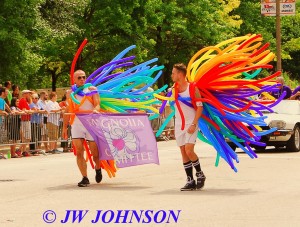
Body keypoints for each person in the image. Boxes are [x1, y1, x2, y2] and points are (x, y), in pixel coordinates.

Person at [62, 70, 102, 187]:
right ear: (74, 79)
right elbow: (68, 109)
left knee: (95, 153)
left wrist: (96, 110)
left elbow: (97, 104)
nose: (82, 79)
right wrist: (65, 127)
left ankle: (98, 168)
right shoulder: (70, 93)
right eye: (79, 77)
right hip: (77, 124)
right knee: (79, 152)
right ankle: (85, 177)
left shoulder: (92, 90)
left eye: (84, 77)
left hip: (90, 124)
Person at [171, 63, 206, 191]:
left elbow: (200, 107)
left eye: (173, 73)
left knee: (189, 150)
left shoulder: (192, 88)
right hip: (179, 124)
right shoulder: (173, 89)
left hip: (191, 123)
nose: (172, 75)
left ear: (180, 74)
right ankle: (190, 180)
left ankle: (200, 174)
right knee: (183, 152)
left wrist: (194, 124)